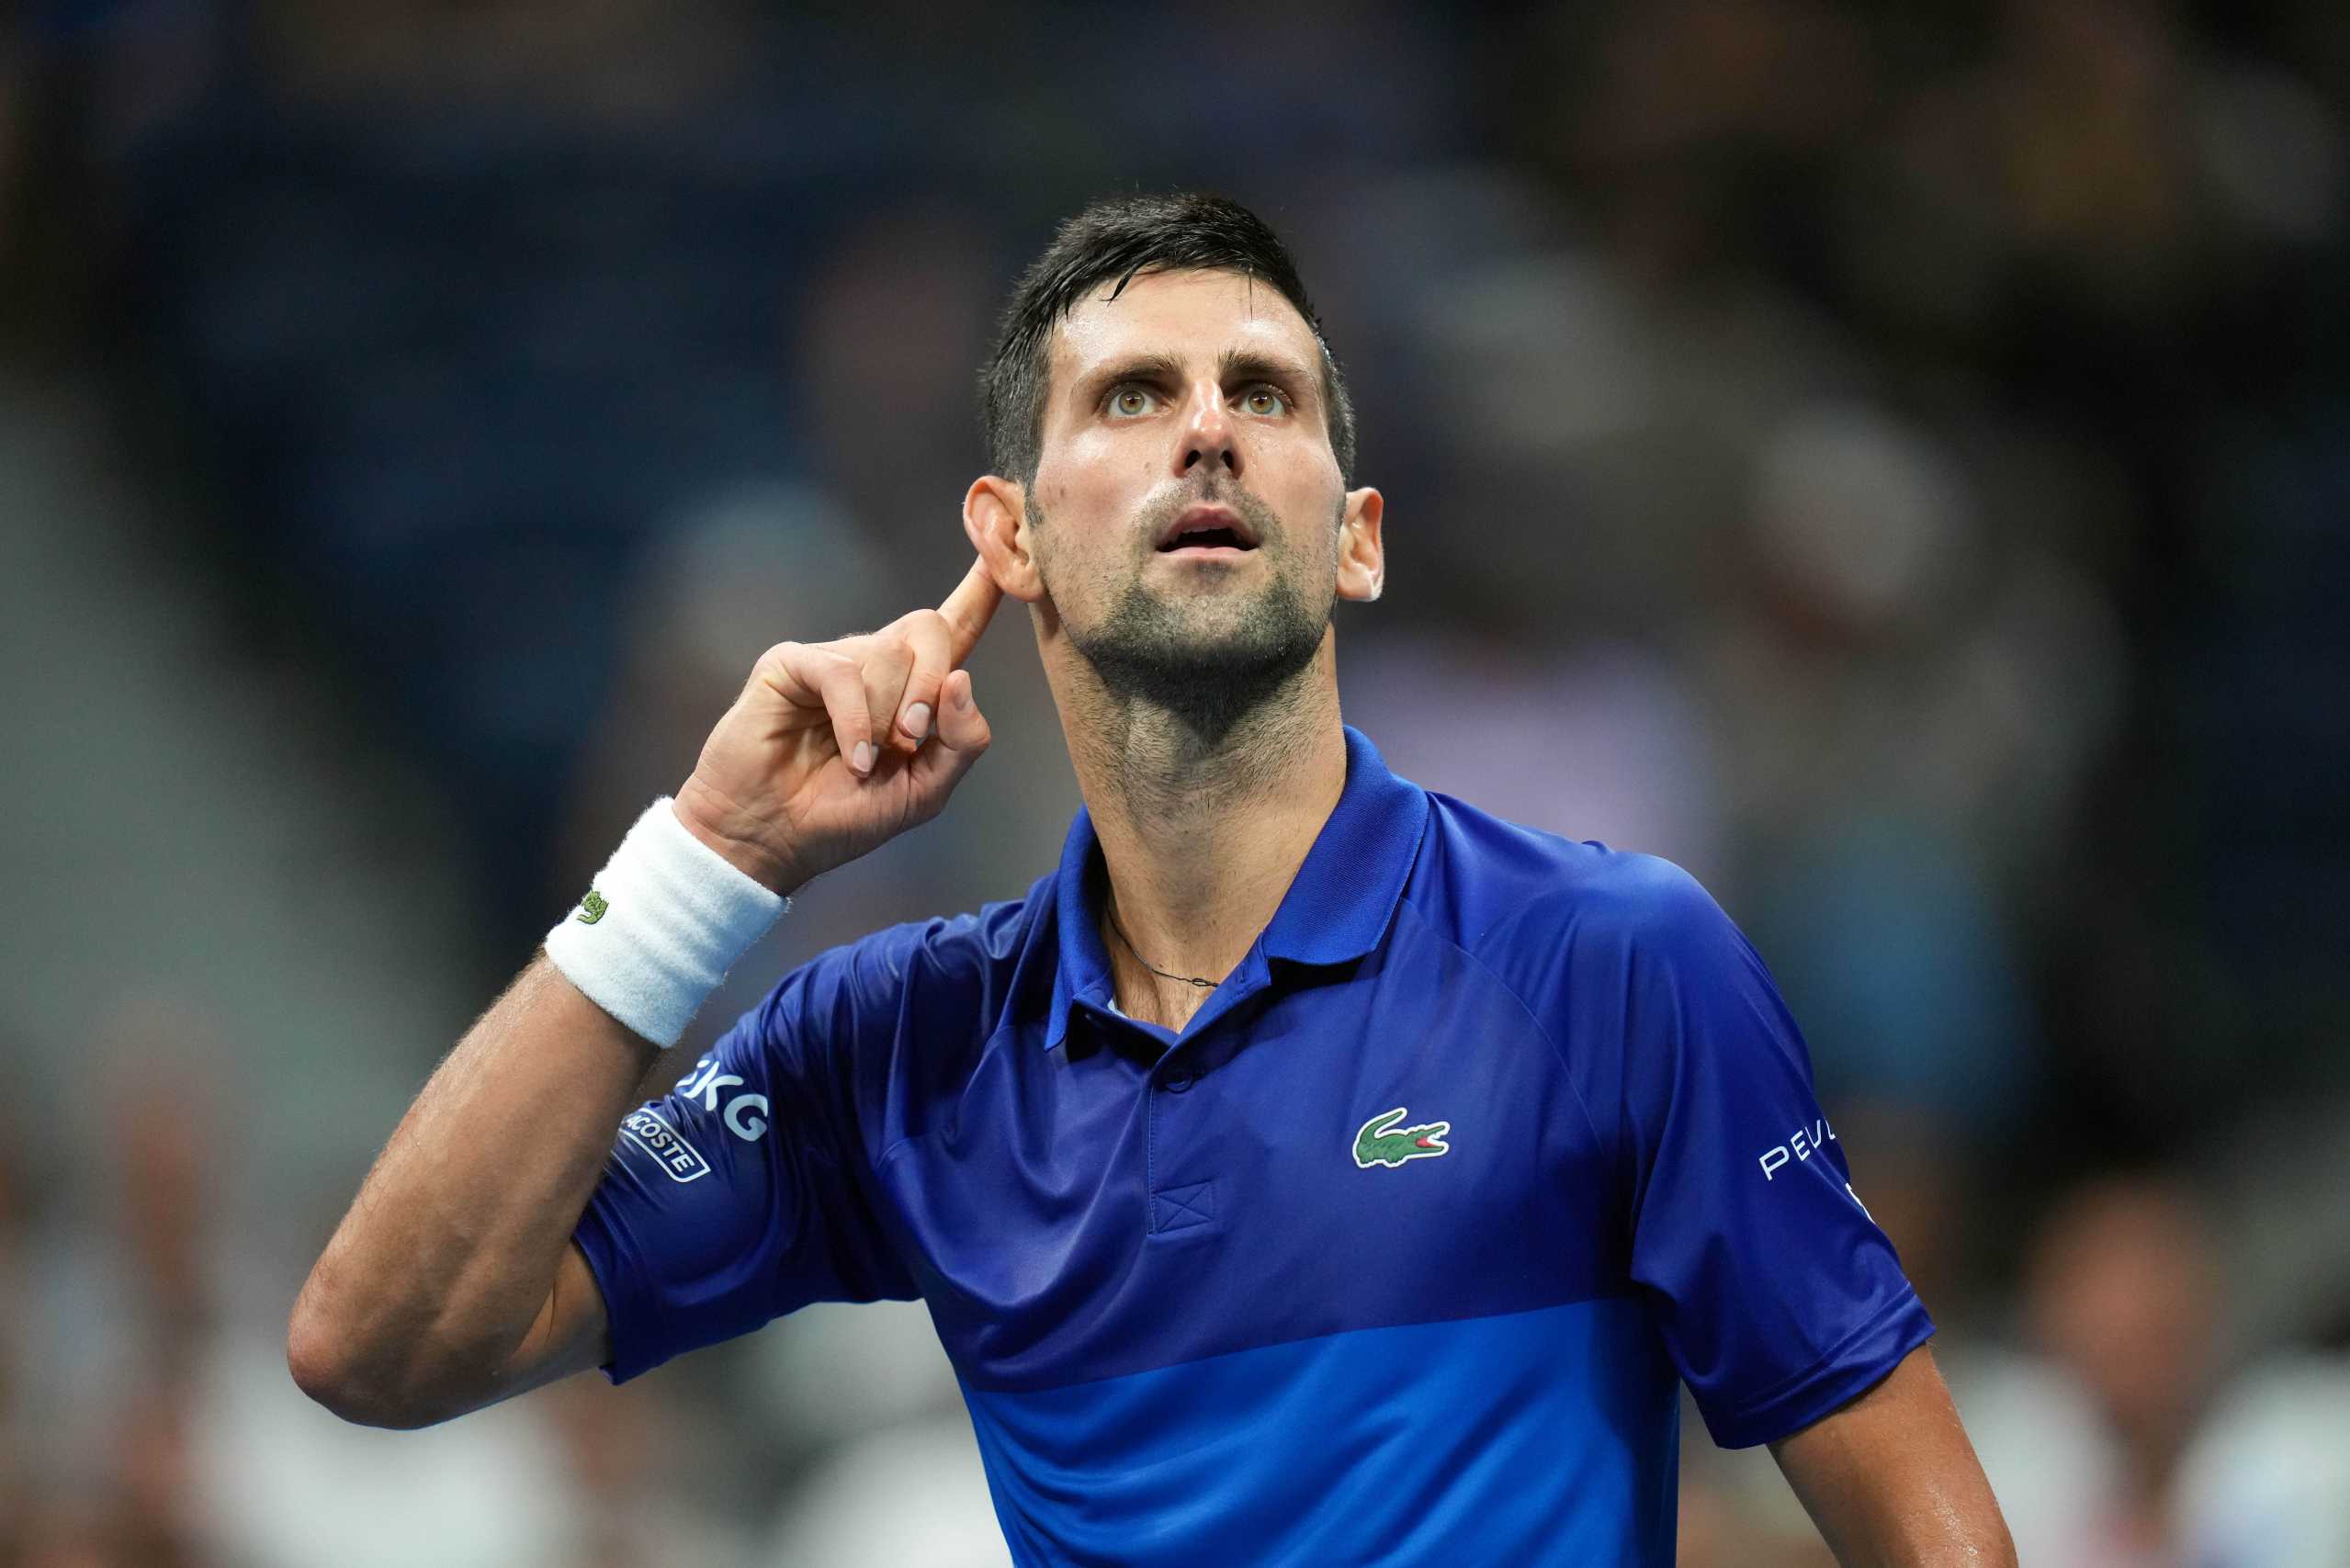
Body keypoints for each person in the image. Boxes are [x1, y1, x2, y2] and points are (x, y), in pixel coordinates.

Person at [288, 193, 2015, 1565]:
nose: (1207, 433)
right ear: (1011, 535)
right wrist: (707, 860)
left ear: (1356, 537)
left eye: (1263, 395)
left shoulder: (1614, 963)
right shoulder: (898, 1049)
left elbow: (1933, 1535)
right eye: (1132, 396)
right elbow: (381, 1345)